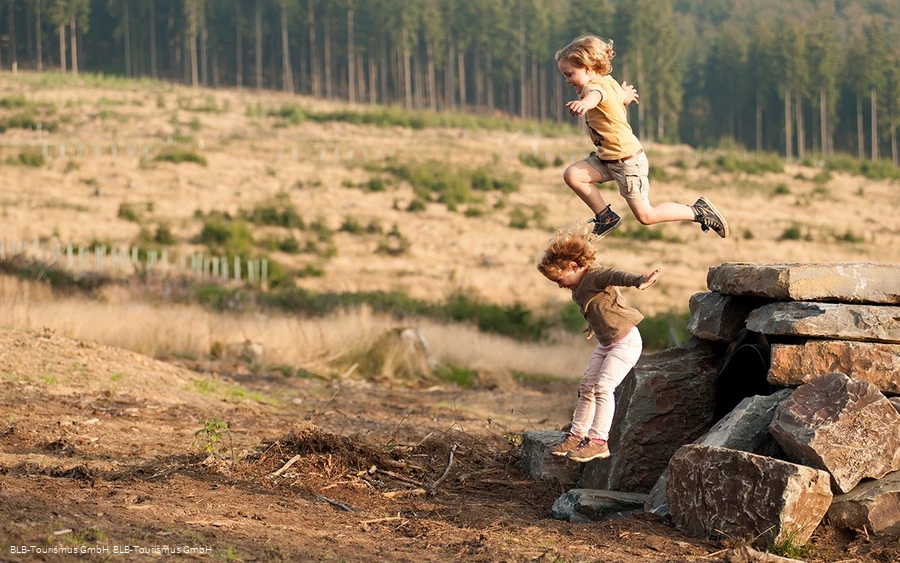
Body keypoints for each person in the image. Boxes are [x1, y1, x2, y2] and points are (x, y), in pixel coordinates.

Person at [555, 34, 729, 239]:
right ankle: (605, 217)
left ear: (587, 67)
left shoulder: (593, 89)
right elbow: (615, 98)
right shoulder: (608, 83)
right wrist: (626, 96)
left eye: (569, 74)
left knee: (646, 215)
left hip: (627, 161)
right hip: (607, 158)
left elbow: (596, 97)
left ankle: (698, 211)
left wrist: (584, 104)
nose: (567, 80)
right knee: (573, 175)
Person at [537, 225, 660, 462]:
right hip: (606, 342)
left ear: (573, 266)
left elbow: (615, 275)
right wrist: (594, 324)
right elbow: (599, 306)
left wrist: (639, 280)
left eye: (559, 279)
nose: (560, 285)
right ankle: (576, 435)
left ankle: (598, 441)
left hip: (626, 341)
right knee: (587, 387)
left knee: (604, 387)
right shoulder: (576, 287)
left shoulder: (594, 275)